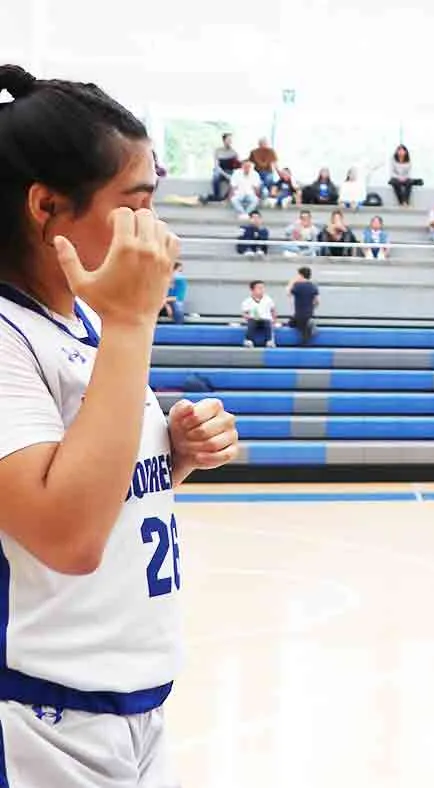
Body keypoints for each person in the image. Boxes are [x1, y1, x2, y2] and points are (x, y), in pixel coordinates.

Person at [0, 64, 241, 786]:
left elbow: (95, 487)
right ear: (46, 208)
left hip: (130, 709)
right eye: (136, 205)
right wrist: (135, 318)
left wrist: (173, 458)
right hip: (37, 719)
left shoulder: (81, 322)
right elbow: (66, 535)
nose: (155, 230)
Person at [287, 265, 320, 345]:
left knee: (294, 325)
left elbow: (288, 293)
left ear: (301, 275)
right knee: (299, 325)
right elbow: (317, 301)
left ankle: (304, 341)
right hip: (309, 313)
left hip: (299, 314)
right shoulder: (313, 286)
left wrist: (292, 282)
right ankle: (310, 323)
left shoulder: (298, 286)